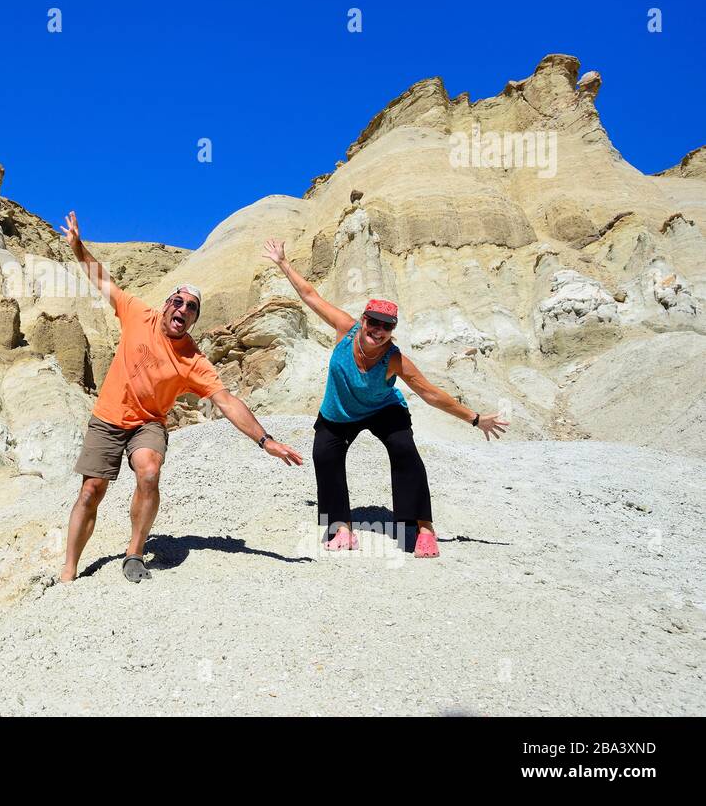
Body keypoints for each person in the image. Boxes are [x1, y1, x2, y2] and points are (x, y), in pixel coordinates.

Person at [59, 212, 304, 584]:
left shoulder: (194, 360)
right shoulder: (137, 313)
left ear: (193, 320)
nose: (183, 309)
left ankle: (135, 552)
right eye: (179, 301)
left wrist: (265, 440)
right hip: (108, 418)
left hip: (147, 423)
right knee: (92, 490)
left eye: (192, 308)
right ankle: (68, 569)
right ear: (167, 303)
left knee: (150, 470)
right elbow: (102, 281)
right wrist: (78, 248)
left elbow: (227, 402)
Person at [262, 237, 509, 558]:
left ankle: (424, 530)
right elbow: (310, 295)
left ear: (392, 331)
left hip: (383, 410)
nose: (377, 330)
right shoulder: (345, 328)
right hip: (337, 414)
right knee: (325, 456)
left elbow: (430, 394)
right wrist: (283, 263)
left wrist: (476, 419)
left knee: (404, 450)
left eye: (386, 326)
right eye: (372, 322)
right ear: (363, 320)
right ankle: (341, 528)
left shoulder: (394, 359)